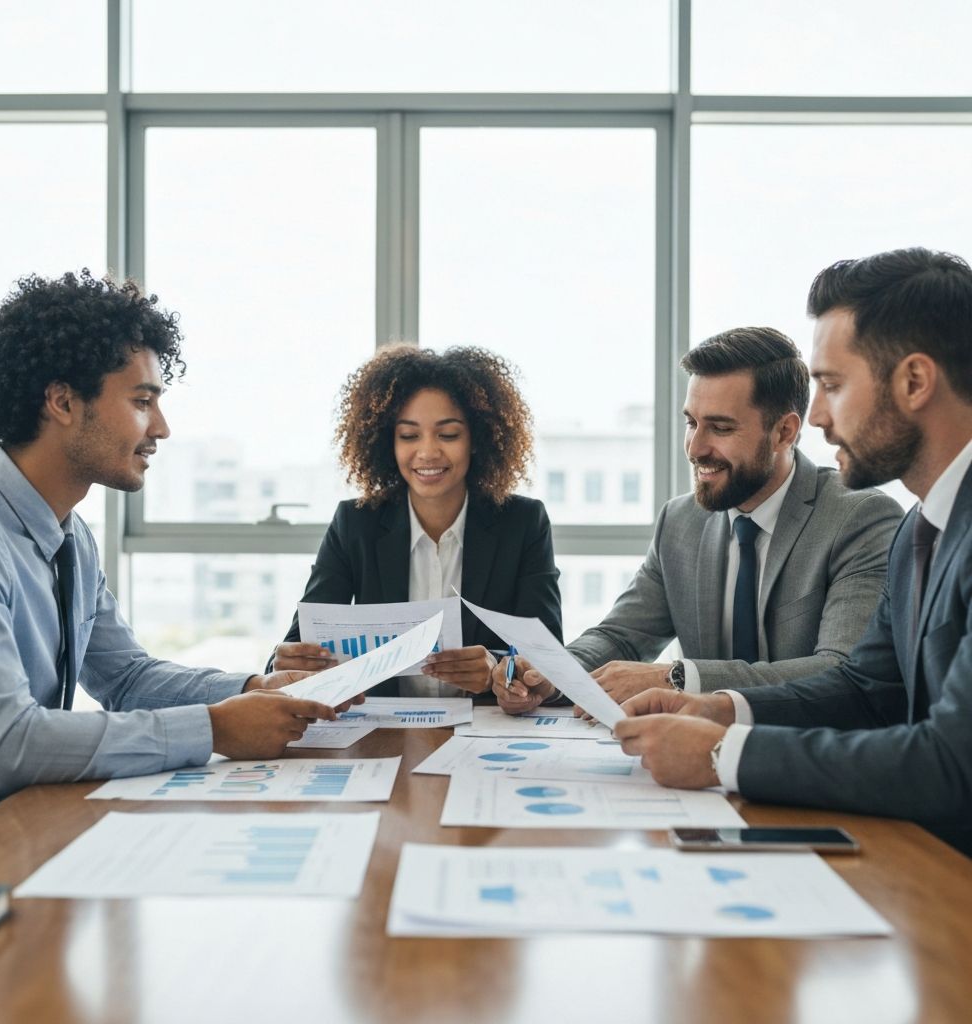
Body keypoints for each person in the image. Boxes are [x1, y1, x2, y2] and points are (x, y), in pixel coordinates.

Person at [0, 270, 341, 826]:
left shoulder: (70, 537)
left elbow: (126, 679)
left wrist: (254, 689)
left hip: (19, 825)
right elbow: (7, 745)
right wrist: (216, 727)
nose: (161, 427)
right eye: (141, 401)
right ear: (62, 401)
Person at [614, 247, 972, 857]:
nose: (819, 416)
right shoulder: (922, 529)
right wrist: (720, 709)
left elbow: (949, 763)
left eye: (832, 385)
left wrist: (723, 754)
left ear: (914, 381)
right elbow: (865, 689)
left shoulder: (892, 523)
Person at [492, 327, 901, 714]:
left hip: (805, 767)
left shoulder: (858, 518)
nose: (695, 447)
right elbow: (621, 637)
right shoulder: (680, 521)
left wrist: (678, 677)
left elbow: (839, 672)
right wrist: (550, 673)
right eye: (691, 423)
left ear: (784, 433)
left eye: (720, 428)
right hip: (693, 762)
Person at [269, 344, 562, 697]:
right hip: (383, 734)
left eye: (448, 434)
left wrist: (497, 668)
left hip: (482, 733)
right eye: (408, 436)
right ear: (387, 442)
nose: (427, 452)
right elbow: (297, 647)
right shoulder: (355, 524)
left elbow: (548, 657)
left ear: (477, 438)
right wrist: (283, 663)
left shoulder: (523, 522)